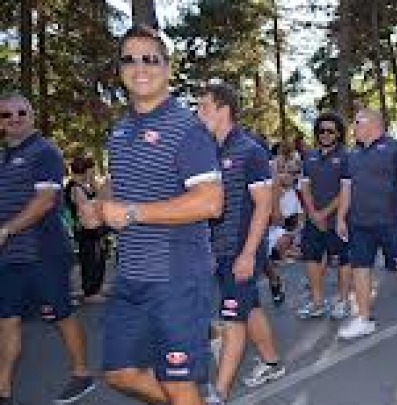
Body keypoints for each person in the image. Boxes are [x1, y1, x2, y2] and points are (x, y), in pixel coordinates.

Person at [78, 26, 224, 405]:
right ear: (119, 69)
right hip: (131, 277)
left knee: (177, 384)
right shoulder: (121, 131)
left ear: (167, 68)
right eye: (129, 58)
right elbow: (119, 183)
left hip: (177, 279)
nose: (139, 66)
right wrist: (97, 207)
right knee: (120, 373)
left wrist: (131, 213)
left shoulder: (186, 129)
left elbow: (210, 202)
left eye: (150, 58)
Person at [0, 93, 96, 405]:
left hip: (44, 253)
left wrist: (7, 229)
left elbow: (44, 202)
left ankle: (82, 375)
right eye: (6, 114)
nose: (14, 118)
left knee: (61, 315)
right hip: (9, 257)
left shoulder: (45, 152)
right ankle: (3, 390)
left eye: (20, 112)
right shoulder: (2, 157)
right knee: (8, 319)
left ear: (32, 113)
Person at [196, 83, 285, 404]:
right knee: (250, 308)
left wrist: (249, 254)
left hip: (241, 250)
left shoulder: (250, 150)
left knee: (232, 317)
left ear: (223, 110)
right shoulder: (207, 151)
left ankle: (218, 393)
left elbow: (263, 205)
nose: (198, 112)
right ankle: (272, 362)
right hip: (215, 249)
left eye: (204, 106)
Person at [336, 109, 397, 339]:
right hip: (359, 224)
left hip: (391, 223)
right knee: (360, 268)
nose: (354, 127)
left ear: (373, 123)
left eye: (357, 122)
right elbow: (346, 189)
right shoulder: (351, 155)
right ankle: (363, 318)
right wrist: (341, 217)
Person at [297, 112, 352, 319]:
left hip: (339, 220)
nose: (326, 134)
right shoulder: (309, 156)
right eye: (322, 131)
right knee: (311, 259)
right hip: (313, 220)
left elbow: (345, 190)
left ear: (338, 133)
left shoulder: (347, 157)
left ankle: (343, 301)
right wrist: (313, 213)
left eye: (331, 131)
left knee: (341, 262)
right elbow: (304, 187)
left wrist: (324, 214)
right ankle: (318, 302)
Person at [65, 156, 108, 303]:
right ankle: (90, 291)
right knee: (90, 259)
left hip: (94, 228)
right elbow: (88, 207)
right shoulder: (75, 187)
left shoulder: (85, 185)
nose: (93, 173)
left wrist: (93, 183)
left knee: (99, 258)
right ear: (85, 171)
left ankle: (96, 287)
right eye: (91, 171)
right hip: (85, 229)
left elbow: (99, 197)